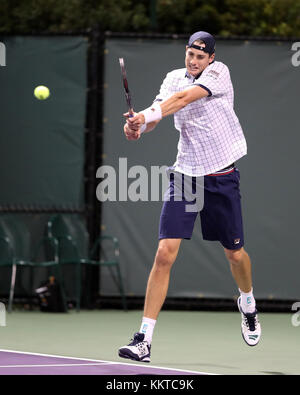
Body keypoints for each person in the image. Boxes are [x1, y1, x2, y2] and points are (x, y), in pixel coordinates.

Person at [118, 31, 261, 363]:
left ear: (210, 58)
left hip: (221, 174)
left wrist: (147, 116)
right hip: (185, 174)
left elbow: (181, 101)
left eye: (200, 56)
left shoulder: (218, 73)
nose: (193, 60)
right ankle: (144, 339)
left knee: (236, 255)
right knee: (164, 254)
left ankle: (248, 301)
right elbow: (159, 110)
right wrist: (139, 125)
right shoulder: (172, 78)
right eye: (190, 54)